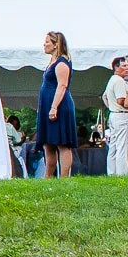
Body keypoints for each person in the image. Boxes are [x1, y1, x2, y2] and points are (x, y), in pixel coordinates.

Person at [35, 31, 77, 177]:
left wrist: (54, 107)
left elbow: (62, 85)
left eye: (47, 42)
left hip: (59, 105)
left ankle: (65, 177)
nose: (44, 44)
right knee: (48, 143)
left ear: (56, 44)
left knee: (62, 144)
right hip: (47, 105)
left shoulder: (62, 62)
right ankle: (48, 176)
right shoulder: (51, 63)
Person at [102, 57, 128, 177]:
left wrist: (111, 107)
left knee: (114, 146)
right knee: (122, 146)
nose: (127, 69)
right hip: (122, 115)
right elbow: (121, 100)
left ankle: (112, 172)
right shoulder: (120, 81)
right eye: (124, 66)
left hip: (114, 114)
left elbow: (104, 97)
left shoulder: (112, 80)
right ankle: (122, 173)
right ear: (116, 67)